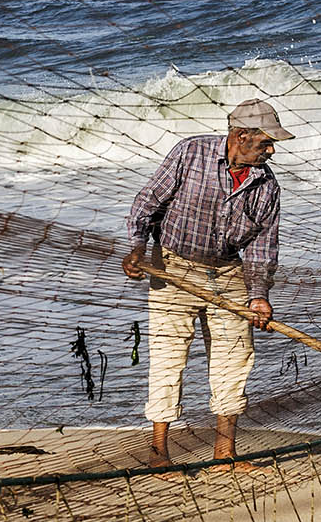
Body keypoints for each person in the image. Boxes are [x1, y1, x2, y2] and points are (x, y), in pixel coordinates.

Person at [120, 99, 292, 466]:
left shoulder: (267, 186)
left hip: (228, 274)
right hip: (172, 268)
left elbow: (262, 247)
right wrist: (136, 248)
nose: (272, 150)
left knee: (235, 360)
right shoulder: (190, 153)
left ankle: (224, 453)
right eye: (265, 142)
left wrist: (259, 297)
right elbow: (147, 204)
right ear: (241, 136)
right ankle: (158, 454)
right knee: (168, 358)